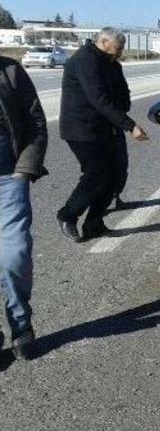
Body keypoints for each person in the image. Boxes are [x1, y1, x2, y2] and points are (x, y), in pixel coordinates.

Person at [57, 28, 149, 242]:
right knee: (97, 175)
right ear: (104, 41)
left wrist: (122, 110)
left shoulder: (112, 64)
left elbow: (122, 95)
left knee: (115, 177)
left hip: (107, 128)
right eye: (119, 46)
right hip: (82, 129)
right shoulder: (85, 61)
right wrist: (130, 125)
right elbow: (99, 100)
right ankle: (67, 215)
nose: (122, 50)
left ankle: (94, 223)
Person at [0, 55, 48, 360]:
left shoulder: (10, 71)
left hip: (9, 177)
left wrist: (24, 169)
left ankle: (21, 325)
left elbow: (36, 122)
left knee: (14, 253)